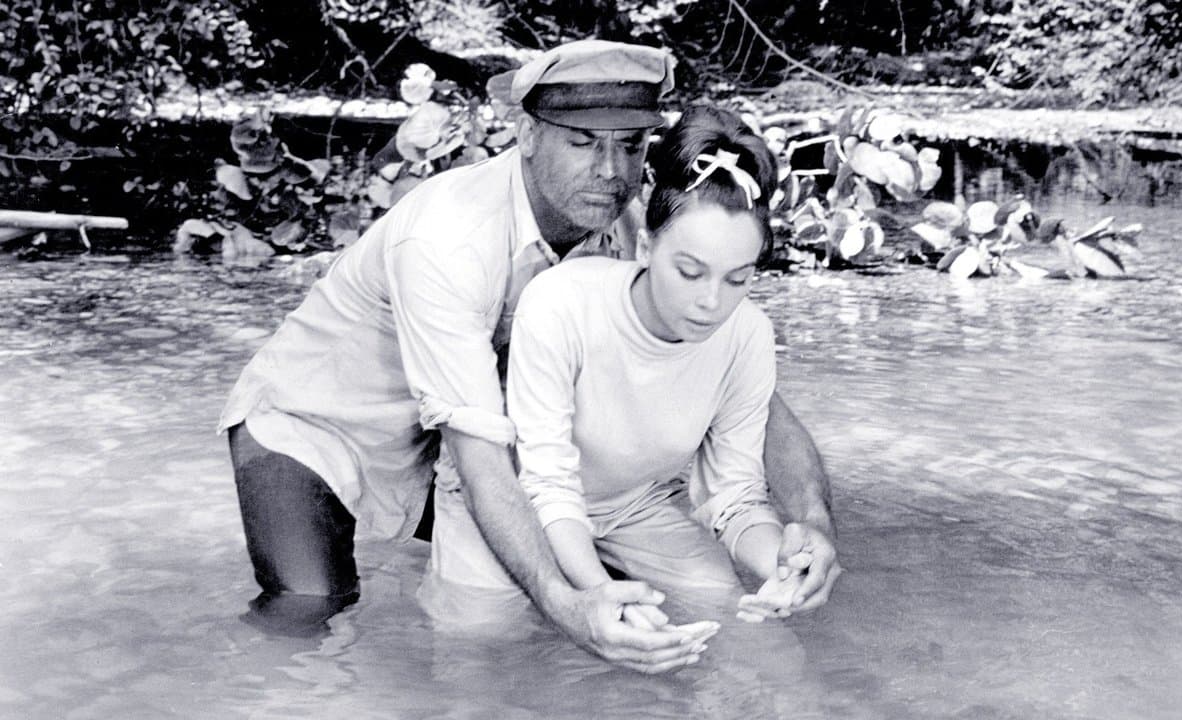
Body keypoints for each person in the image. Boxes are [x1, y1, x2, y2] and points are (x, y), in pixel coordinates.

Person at [218, 39, 839, 673]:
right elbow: (481, 458)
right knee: (310, 616)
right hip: (312, 426)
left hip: (436, 442)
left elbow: (751, 400)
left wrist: (812, 522)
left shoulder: (627, 226)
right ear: (527, 134)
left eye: (629, 145)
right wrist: (568, 606)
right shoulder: (448, 241)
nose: (611, 171)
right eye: (583, 142)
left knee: (569, 575)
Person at [490, 106, 817, 634]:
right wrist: (599, 593)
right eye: (689, 272)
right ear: (645, 246)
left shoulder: (747, 334)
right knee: (481, 631)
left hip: (633, 506)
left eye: (738, 279)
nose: (711, 302)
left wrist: (787, 560)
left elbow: (734, 496)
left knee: (738, 620)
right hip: (513, 500)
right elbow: (546, 485)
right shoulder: (559, 303)